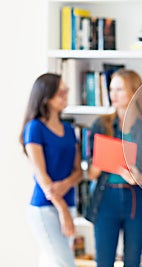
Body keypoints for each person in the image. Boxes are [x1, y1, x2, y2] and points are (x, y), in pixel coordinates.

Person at [85, 69, 142, 267]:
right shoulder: (101, 125)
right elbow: (92, 173)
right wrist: (98, 164)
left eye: (119, 89)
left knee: (132, 261)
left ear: (134, 91)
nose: (113, 94)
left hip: (136, 199)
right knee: (103, 262)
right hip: (106, 198)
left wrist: (137, 177)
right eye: (111, 89)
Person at [20, 73, 82, 267]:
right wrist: (62, 209)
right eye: (60, 92)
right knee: (65, 263)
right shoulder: (35, 128)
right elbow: (41, 175)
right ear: (46, 98)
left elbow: (79, 171)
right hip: (44, 207)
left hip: (69, 201)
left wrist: (66, 184)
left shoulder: (69, 129)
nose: (65, 96)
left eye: (66, 91)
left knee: (51, 262)